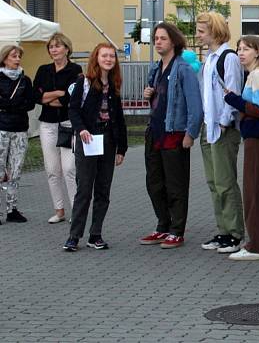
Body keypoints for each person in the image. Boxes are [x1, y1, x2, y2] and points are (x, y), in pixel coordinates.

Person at [139, 23, 202, 249]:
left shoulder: (184, 69)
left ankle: (177, 230)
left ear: (173, 41)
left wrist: (191, 133)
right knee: (154, 183)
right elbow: (158, 99)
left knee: (175, 184)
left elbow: (195, 104)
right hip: (155, 132)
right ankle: (162, 225)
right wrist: (148, 94)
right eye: (156, 38)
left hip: (174, 133)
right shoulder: (156, 69)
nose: (158, 42)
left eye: (162, 38)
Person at [63, 43, 127, 251]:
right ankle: (74, 236)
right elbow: (73, 110)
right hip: (88, 140)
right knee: (84, 189)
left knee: (103, 189)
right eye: (104, 56)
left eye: (112, 56)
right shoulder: (85, 82)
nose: (108, 59)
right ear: (96, 58)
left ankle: (96, 234)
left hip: (108, 139)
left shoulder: (115, 84)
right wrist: (81, 129)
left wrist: (121, 148)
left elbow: (119, 117)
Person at [223, 36, 259, 261]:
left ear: (257, 52)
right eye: (239, 48)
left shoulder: (258, 75)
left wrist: (233, 100)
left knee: (253, 189)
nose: (240, 52)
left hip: (257, 137)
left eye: (246, 48)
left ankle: (256, 245)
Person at [197, 11, 245, 254]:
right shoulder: (209, 58)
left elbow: (232, 91)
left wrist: (225, 121)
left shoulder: (228, 58)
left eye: (201, 31)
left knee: (225, 182)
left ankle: (235, 233)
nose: (197, 35)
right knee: (214, 182)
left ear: (214, 31)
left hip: (222, 127)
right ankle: (223, 230)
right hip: (209, 125)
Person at [32, 33, 82, 224]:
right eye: (51, 47)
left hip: (68, 124)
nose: (54, 50)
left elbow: (70, 98)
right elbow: (36, 96)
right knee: (52, 169)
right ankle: (59, 210)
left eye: (57, 46)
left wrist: (49, 97)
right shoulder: (43, 70)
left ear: (67, 49)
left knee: (69, 168)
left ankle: (76, 210)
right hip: (48, 124)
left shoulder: (75, 70)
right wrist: (57, 94)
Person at [0, 45, 35, 224]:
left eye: (19, 56)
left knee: (16, 169)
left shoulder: (25, 80)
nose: (17, 59)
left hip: (20, 128)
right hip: (1, 128)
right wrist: (11, 105)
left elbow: (31, 102)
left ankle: (12, 208)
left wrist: (12, 105)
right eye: (14, 56)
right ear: (5, 58)